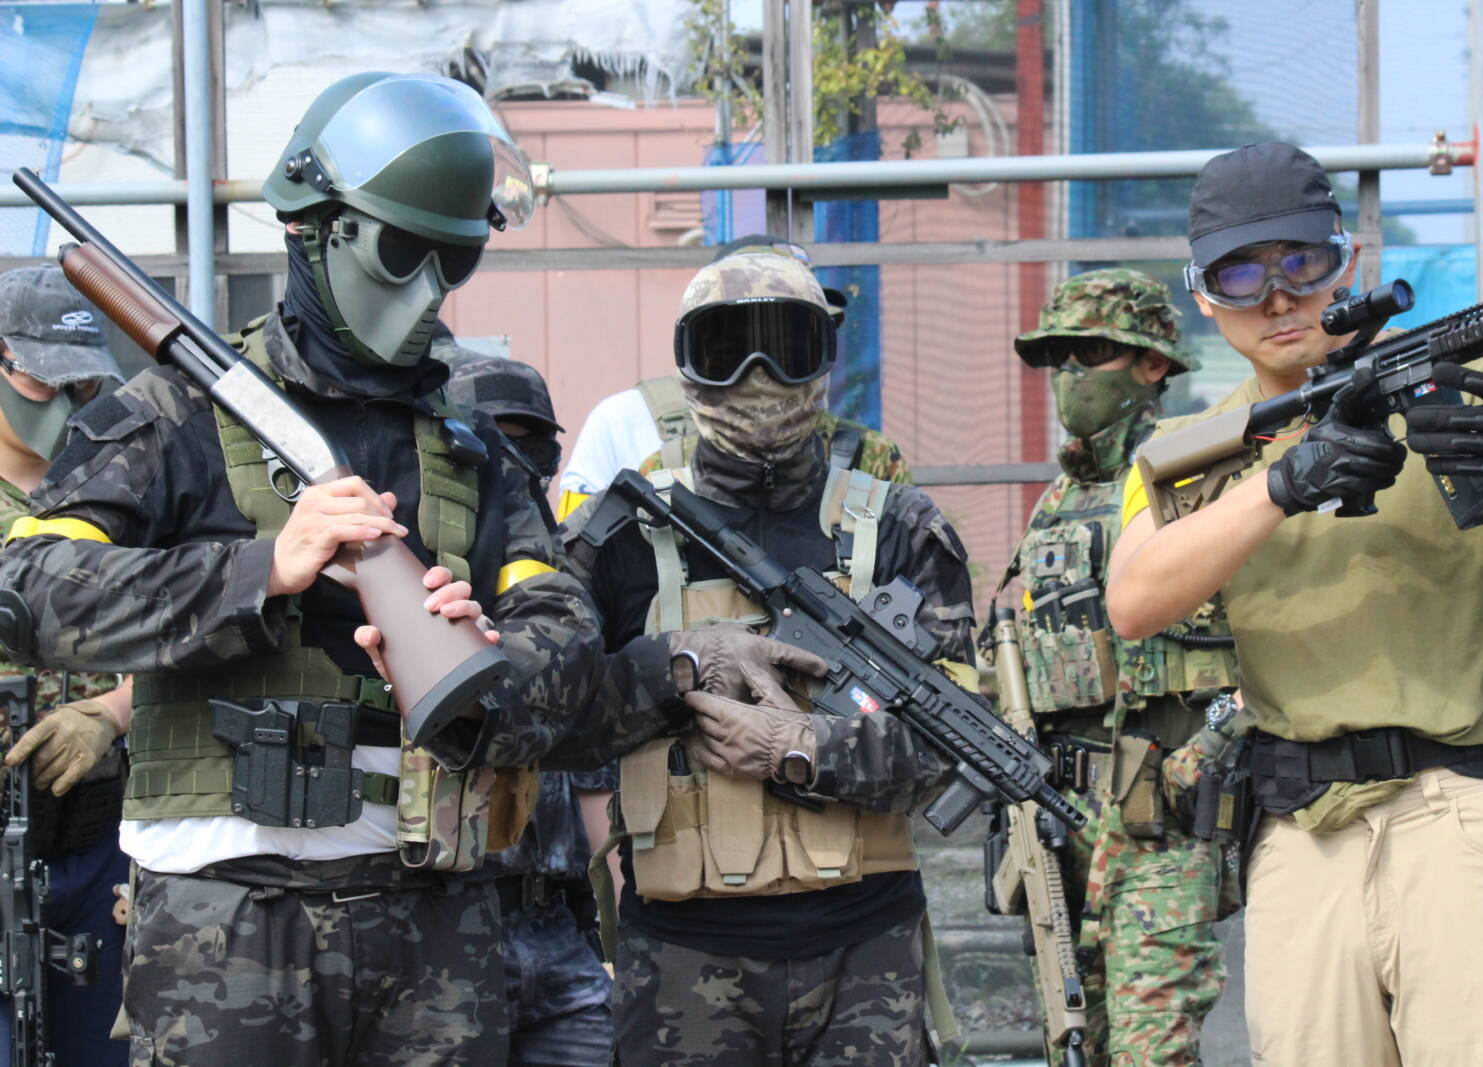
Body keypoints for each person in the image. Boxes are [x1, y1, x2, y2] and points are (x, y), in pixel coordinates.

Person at [0, 72, 813, 1067]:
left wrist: (483, 657)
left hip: (436, 916)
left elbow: (567, 648)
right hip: (224, 924)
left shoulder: (471, 450)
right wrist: (259, 571)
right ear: (314, 228)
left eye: (453, 258)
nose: (429, 289)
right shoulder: (174, 417)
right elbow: (27, 592)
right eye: (401, 252)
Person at [1106, 140, 1483, 1065]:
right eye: (1242, 273)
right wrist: (1282, 482)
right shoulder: (1193, 450)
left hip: (1465, 809)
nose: (1278, 297)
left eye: (1302, 261)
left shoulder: (1454, 394)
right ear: (1203, 295)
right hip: (1302, 832)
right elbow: (1132, 602)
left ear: (1350, 261)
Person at [565, 252, 974, 1066]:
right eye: (727, 350)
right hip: (682, 961)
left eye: (786, 348)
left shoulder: (901, 529)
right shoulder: (618, 535)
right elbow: (549, 717)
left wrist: (808, 748)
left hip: (866, 953)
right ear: (688, 366)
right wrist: (679, 664)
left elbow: (959, 740)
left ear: (823, 358)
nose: (758, 376)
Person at [994, 268, 1233, 1065]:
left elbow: (1275, 641)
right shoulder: (1056, 501)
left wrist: (1216, 745)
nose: (1069, 374)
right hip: (1059, 819)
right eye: (1057, 356)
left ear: (1151, 364)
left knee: (1150, 1049)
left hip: (1160, 821)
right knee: (1076, 1044)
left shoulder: (1199, 479)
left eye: (1090, 352)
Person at [442, 350, 615, 1067]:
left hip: (557, 922)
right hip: (450, 921)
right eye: (495, 439)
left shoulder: (570, 584)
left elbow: (599, 785)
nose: (514, 460)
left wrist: (614, 941)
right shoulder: (429, 571)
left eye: (528, 441)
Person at [0, 265, 130, 1066]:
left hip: (99, 839)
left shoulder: (122, 483)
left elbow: (189, 632)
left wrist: (114, 712)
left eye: (81, 385)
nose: (65, 405)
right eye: (43, 383)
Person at [556, 236, 909, 520]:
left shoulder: (870, 457)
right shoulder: (658, 461)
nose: (761, 372)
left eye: (790, 346)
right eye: (735, 349)